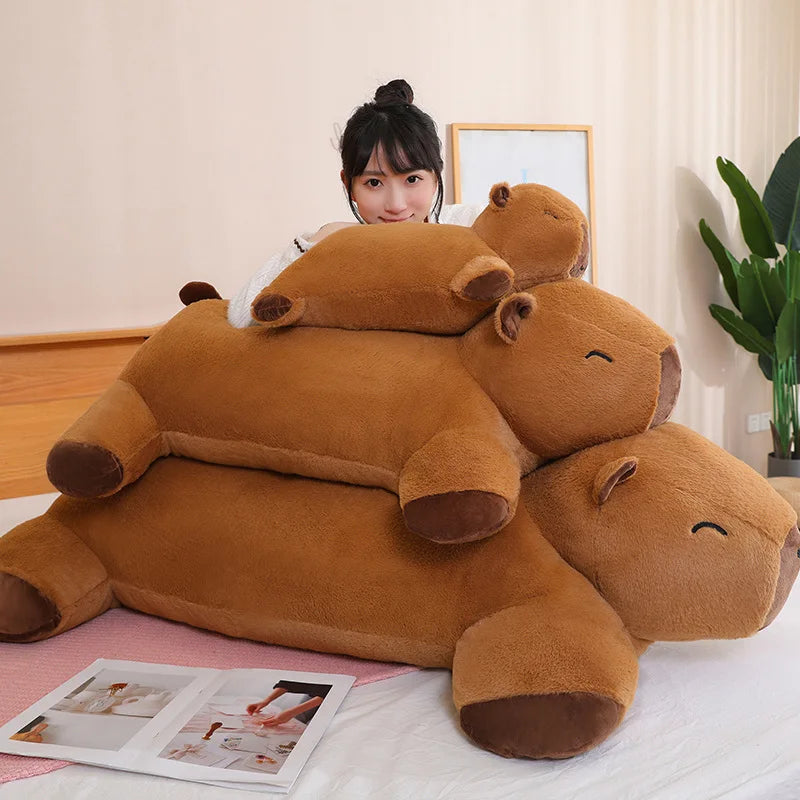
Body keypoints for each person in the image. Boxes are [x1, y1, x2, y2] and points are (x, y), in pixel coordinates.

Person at [227, 78, 483, 328]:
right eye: (374, 183)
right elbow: (242, 315)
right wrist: (317, 241)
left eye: (412, 179)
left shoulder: (473, 224)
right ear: (348, 185)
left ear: (436, 178)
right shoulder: (338, 249)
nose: (396, 205)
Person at [245, 680, 332, 726]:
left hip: (332, 694)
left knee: (315, 726)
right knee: (298, 719)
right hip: (317, 692)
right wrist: (265, 701)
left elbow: (327, 693)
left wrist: (291, 712)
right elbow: (289, 682)